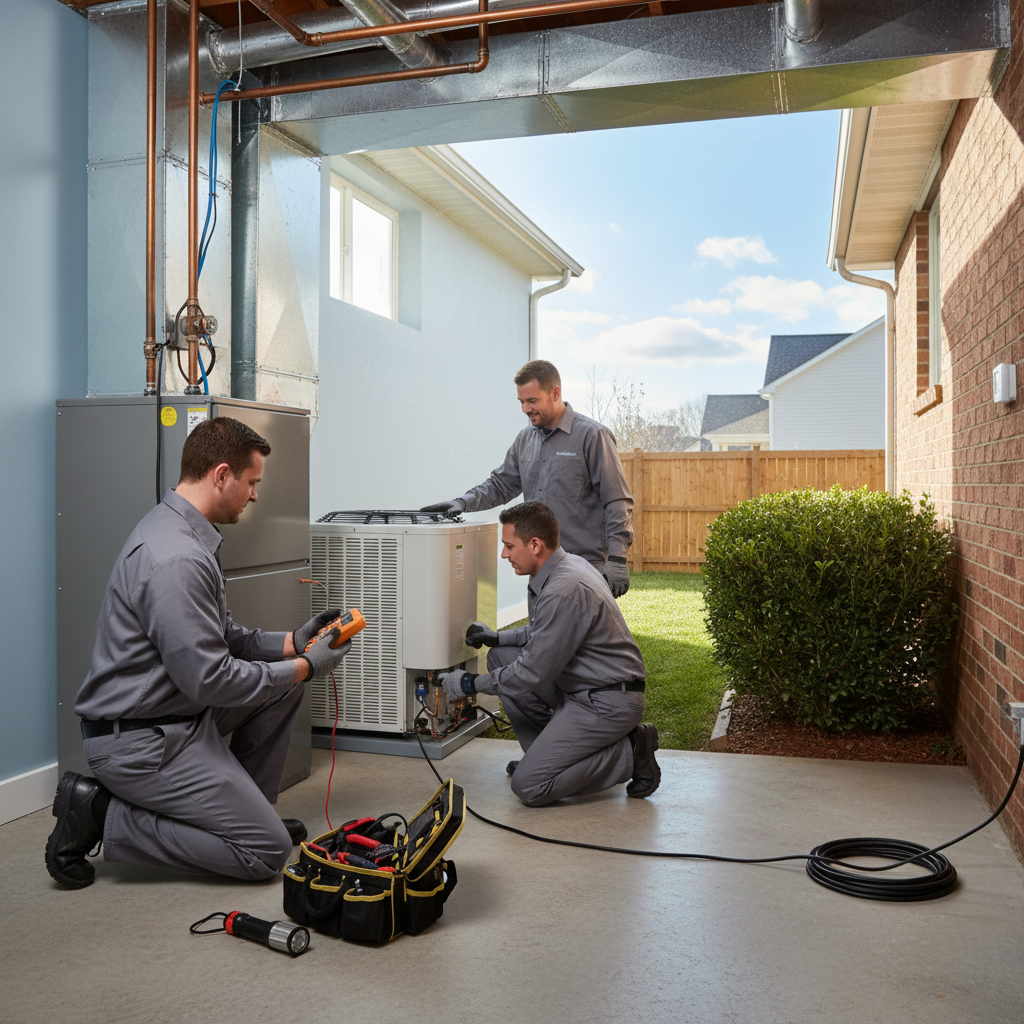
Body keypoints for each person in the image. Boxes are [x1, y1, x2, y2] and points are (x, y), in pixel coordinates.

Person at [45, 417, 350, 890]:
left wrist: (293, 642)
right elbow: (211, 680)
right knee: (266, 852)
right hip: (144, 742)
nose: (254, 496)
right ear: (221, 474)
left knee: (283, 686)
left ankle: (245, 815)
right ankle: (97, 811)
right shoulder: (178, 558)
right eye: (251, 483)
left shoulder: (181, 529)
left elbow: (221, 636)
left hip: (174, 713)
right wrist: (307, 666)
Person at [439, 502, 660, 807]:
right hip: (581, 688)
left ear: (535, 545)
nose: (504, 554)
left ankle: (631, 752)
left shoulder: (562, 589)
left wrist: (470, 685)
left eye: (508, 546)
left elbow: (532, 671)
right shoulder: (568, 566)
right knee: (500, 655)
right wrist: (497, 636)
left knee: (529, 786)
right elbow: (546, 631)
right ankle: (548, 760)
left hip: (607, 702)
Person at [421, 360, 634, 597]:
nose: (525, 409)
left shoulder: (592, 435)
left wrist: (617, 558)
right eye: (521, 402)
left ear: (555, 393)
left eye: (532, 401)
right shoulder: (524, 439)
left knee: (580, 634)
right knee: (543, 632)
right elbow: (500, 484)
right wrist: (462, 503)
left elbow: (617, 501)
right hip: (540, 566)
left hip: (583, 567)